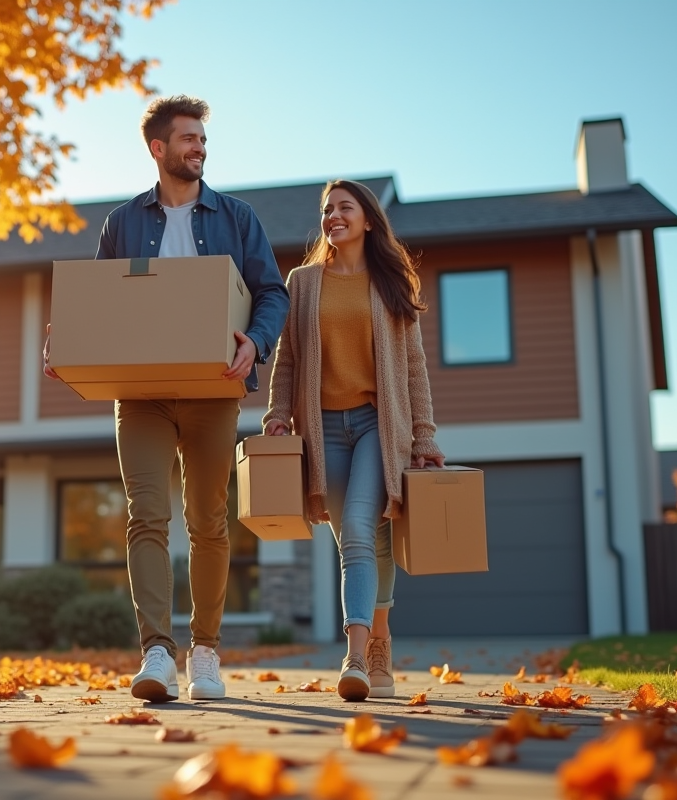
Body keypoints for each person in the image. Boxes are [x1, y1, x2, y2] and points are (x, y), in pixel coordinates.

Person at [43, 95, 289, 702]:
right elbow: (101, 304)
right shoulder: (123, 222)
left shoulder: (235, 217)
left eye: (202, 139)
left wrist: (254, 344)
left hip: (213, 391)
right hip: (143, 394)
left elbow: (272, 294)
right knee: (146, 514)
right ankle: (157, 651)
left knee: (208, 521)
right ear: (158, 148)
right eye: (187, 139)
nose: (198, 148)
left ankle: (205, 651)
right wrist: (68, 344)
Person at [262, 179, 445, 701]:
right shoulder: (302, 282)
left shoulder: (390, 282)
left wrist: (424, 435)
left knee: (361, 532)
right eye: (327, 209)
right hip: (324, 428)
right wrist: (278, 414)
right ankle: (382, 639)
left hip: (376, 426)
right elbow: (289, 358)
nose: (333, 216)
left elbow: (413, 367)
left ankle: (357, 657)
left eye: (345, 207)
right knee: (360, 540)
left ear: (367, 219)